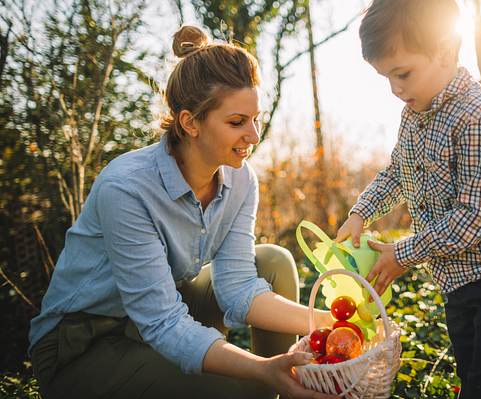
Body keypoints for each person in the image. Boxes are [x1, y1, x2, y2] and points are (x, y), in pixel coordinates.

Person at [28, 25, 336, 399]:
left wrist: (327, 321)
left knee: (272, 261)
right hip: (82, 344)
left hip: (160, 312)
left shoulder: (241, 181)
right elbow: (162, 321)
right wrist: (257, 370)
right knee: (240, 387)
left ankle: (282, 384)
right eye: (237, 122)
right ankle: (266, 382)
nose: (254, 136)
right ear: (190, 122)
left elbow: (238, 288)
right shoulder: (126, 188)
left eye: (255, 118)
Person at [335, 1, 481, 398]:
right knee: (474, 377)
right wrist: (360, 213)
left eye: (403, 73)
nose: (396, 88)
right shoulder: (414, 116)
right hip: (460, 280)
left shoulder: (477, 119)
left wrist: (402, 253)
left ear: (446, 52)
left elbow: (475, 216)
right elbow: (397, 173)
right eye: (387, 77)